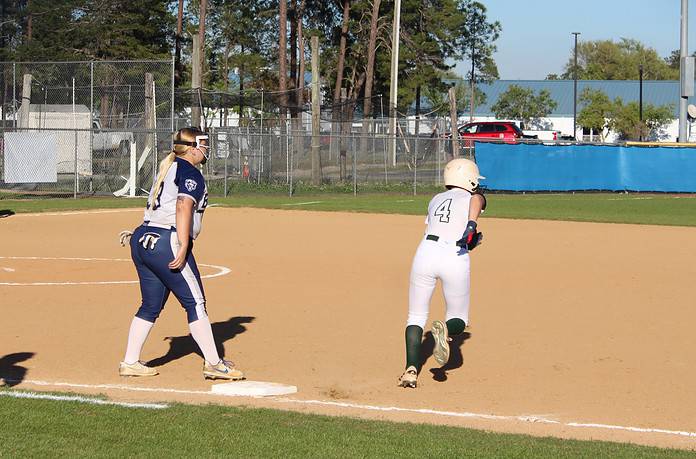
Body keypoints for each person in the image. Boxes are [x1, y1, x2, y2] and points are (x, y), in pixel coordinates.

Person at [118, 127, 244, 381]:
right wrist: (184, 244)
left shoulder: (170, 166)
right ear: (193, 147)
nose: (206, 149)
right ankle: (214, 364)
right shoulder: (190, 172)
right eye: (204, 144)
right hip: (168, 241)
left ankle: (130, 362)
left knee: (151, 305)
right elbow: (183, 205)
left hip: (144, 238)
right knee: (195, 303)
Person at [398, 158, 486, 388]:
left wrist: (469, 237)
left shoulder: (435, 199)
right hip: (453, 255)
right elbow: (478, 199)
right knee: (459, 318)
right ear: (470, 178)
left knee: (415, 316)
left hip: (425, 252)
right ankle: (446, 329)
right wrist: (471, 226)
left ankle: (410, 370)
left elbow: (438, 225)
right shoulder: (472, 197)